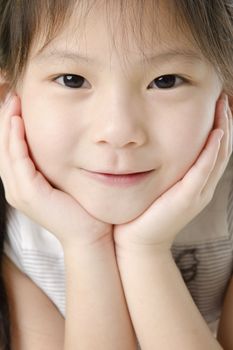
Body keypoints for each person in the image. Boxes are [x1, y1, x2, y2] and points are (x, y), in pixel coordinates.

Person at [0, 0, 232, 349]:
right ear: (7, 98)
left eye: (165, 81)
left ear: (227, 98)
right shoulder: (17, 232)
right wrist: (85, 245)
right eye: (72, 80)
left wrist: (145, 251)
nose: (118, 130)